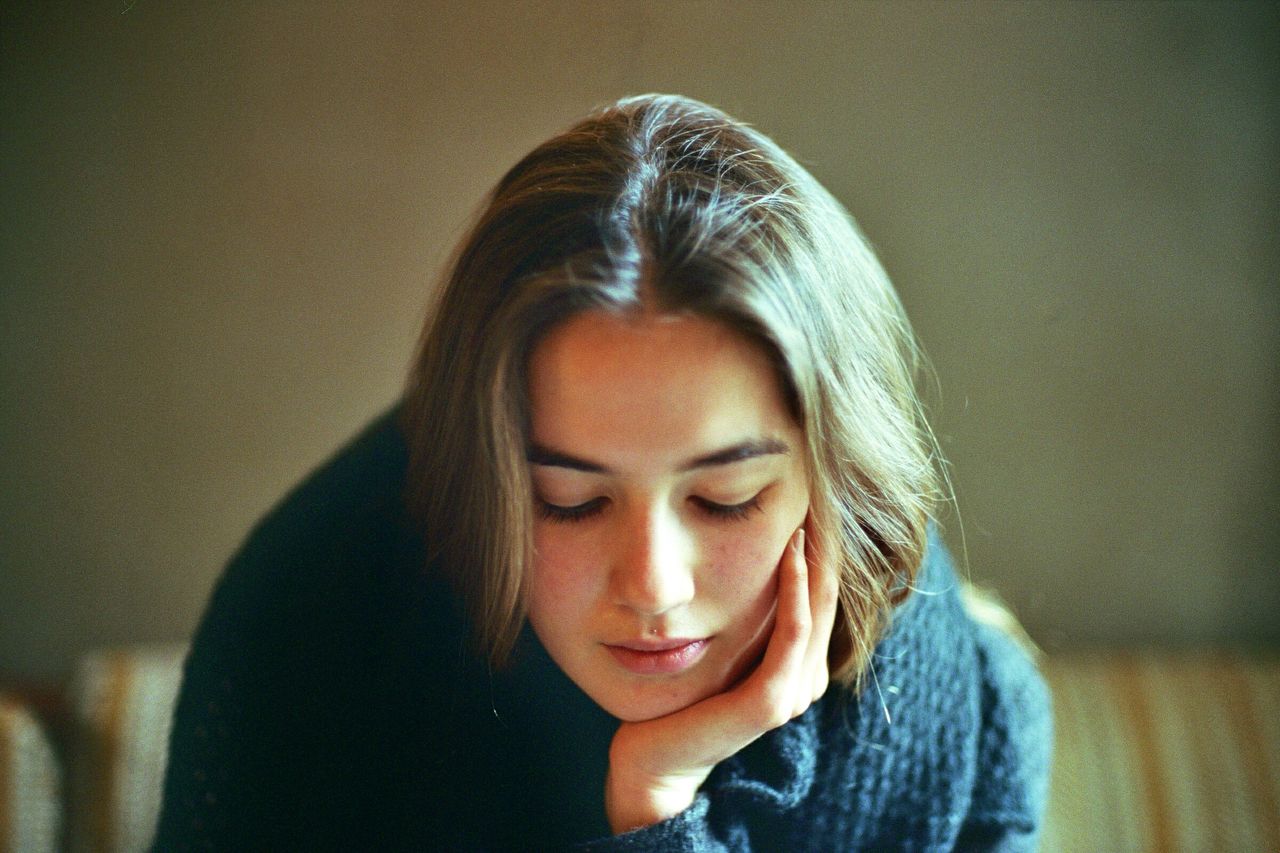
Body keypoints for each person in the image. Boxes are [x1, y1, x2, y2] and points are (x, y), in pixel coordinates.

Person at [151, 94, 1051, 851]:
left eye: (723, 498)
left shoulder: (966, 710)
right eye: (569, 502)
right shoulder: (307, 622)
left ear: (833, 479)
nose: (654, 585)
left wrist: (655, 804)